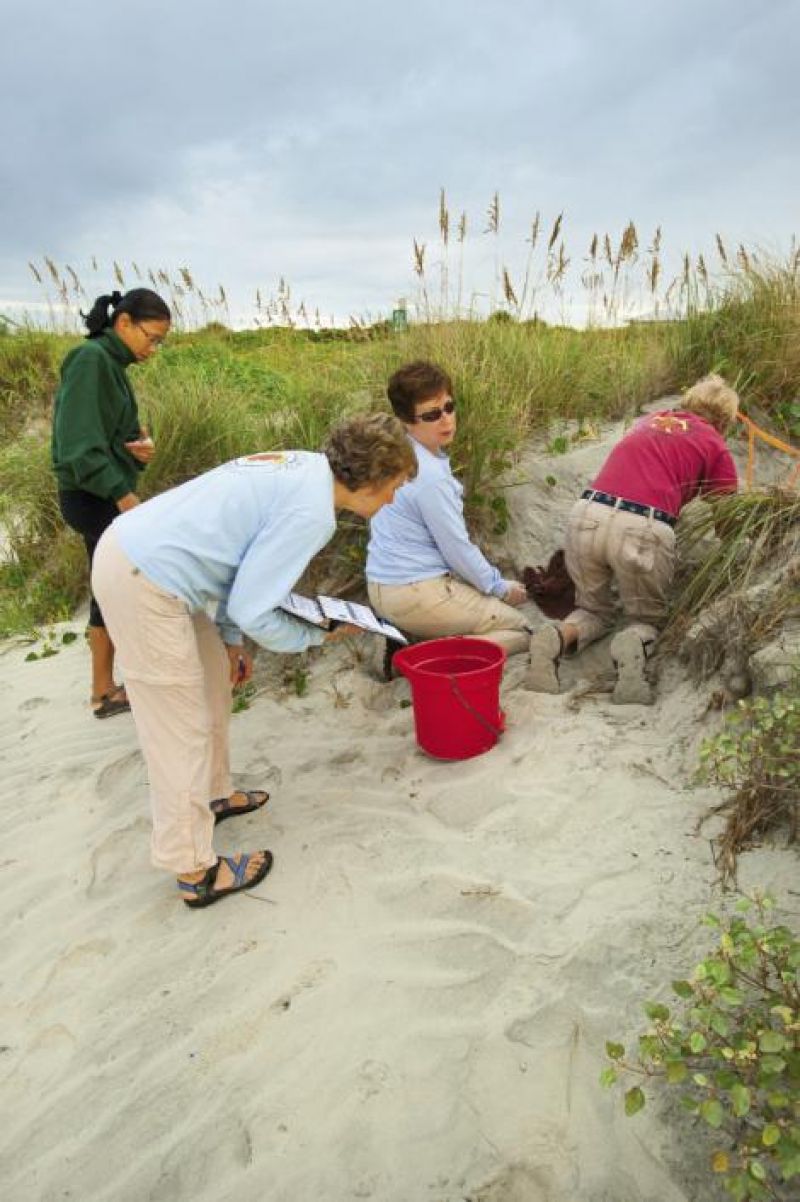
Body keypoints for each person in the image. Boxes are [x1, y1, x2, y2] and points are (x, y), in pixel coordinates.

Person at [91, 413, 416, 909]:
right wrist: (315, 638)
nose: (394, 498)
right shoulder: (313, 512)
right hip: (143, 578)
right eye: (395, 485)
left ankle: (215, 794)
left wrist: (230, 640)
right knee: (179, 729)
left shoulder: (307, 470)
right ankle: (194, 868)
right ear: (372, 478)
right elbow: (253, 605)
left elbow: (236, 563)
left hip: (152, 562)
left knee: (212, 685)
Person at [527, 373, 740, 704]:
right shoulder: (715, 443)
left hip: (586, 514)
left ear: (688, 403)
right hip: (642, 526)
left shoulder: (650, 420)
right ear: (725, 421)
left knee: (592, 610)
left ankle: (556, 637)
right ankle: (632, 659)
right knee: (646, 619)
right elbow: (726, 512)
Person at [51, 287, 171, 718]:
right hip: (93, 496)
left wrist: (135, 447)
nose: (154, 348)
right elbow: (77, 448)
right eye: (151, 337)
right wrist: (124, 495)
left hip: (99, 492)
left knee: (110, 586)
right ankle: (105, 690)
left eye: (160, 341)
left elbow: (104, 435)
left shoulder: (112, 364)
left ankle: (104, 688)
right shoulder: (91, 360)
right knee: (116, 587)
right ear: (124, 323)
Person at [366, 360, 530, 654]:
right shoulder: (429, 475)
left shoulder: (393, 451)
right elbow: (455, 547)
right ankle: (428, 657)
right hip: (417, 592)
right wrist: (499, 588)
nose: (446, 420)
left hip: (382, 586)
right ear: (405, 419)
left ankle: (412, 638)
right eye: (431, 414)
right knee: (520, 630)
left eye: (449, 407)